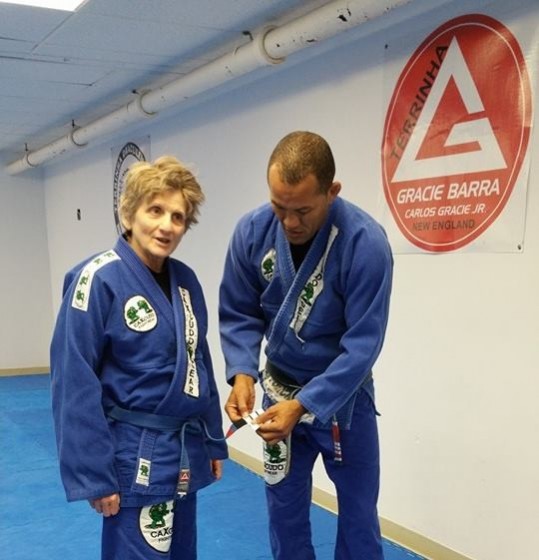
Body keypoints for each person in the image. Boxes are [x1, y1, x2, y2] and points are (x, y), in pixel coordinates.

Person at [219, 131, 393, 559]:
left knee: (357, 517)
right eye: (279, 207)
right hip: (278, 396)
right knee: (284, 513)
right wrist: (241, 371)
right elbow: (240, 312)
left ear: (331, 192)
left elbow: (363, 345)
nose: (290, 222)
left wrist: (308, 404)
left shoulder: (365, 244)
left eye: (302, 210)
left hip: (343, 402)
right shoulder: (252, 232)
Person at [50, 156, 228, 560]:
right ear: (128, 213)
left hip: (182, 450)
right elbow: (73, 381)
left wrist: (212, 440)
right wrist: (94, 474)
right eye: (156, 210)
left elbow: (199, 365)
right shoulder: (96, 280)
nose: (167, 225)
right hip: (134, 455)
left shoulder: (186, 282)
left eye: (178, 216)